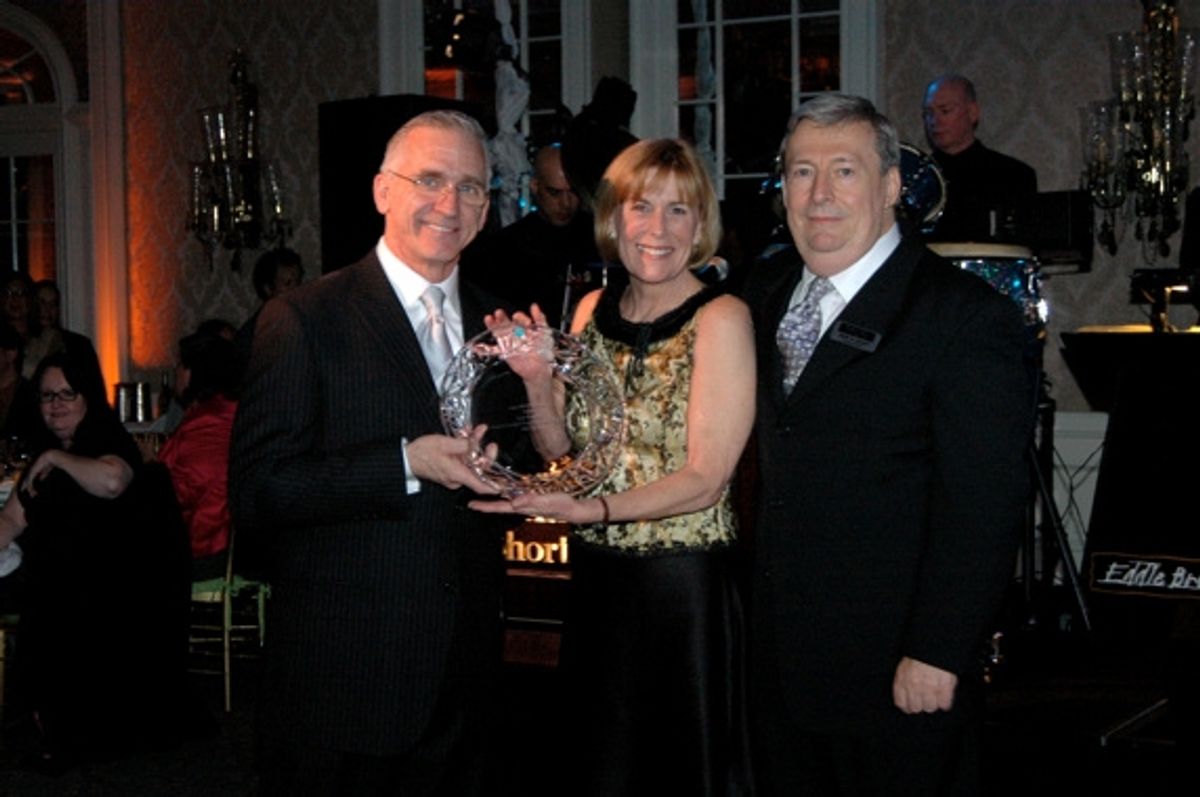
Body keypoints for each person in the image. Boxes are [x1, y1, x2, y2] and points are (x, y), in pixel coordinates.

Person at [740, 93, 1034, 796]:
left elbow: (985, 505)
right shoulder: (760, 291)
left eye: (844, 170)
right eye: (801, 172)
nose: (819, 195)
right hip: (772, 663)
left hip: (894, 672)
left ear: (892, 186)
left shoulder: (964, 317)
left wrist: (937, 649)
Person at [229, 109, 510, 796]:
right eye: (431, 179)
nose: (450, 203)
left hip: (468, 685)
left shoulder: (498, 324)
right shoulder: (303, 319)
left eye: (471, 187)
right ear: (383, 190)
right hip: (345, 690)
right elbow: (261, 492)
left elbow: (515, 469)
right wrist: (405, 463)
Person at [472, 138, 756, 795]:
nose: (657, 229)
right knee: (603, 765)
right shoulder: (589, 314)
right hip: (599, 582)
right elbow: (559, 451)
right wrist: (537, 380)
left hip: (683, 588)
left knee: (682, 770)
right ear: (614, 219)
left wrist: (592, 508)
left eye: (678, 211)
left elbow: (705, 479)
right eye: (640, 208)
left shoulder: (722, 318)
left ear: (700, 225)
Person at [0, 349, 191, 773]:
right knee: (37, 588)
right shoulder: (43, 454)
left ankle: (70, 727)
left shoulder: (108, 440)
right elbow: (11, 520)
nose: (57, 404)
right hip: (63, 583)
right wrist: (46, 460)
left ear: (87, 397)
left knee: (52, 596)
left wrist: (56, 459)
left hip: (114, 588)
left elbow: (112, 481)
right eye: (48, 396)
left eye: (68, 393)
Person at [459, 144, 601, 329]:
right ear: (535, 186)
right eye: (554, 192)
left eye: (572, 192)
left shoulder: (598, 238)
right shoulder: (502, 250)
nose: (565, 203)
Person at [158, 329, 240, 580]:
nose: (175, 371)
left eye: (180, 364)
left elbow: (181, 489)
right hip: (235, 550)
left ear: (194, 371)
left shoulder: (207, 423)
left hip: (207, 550)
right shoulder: (234, 412)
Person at [922, 74, 1038, 242]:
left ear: (972, 113)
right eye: (928, 113)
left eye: (945, 111)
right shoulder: (918, 179)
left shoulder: (1012, 176)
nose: (934, 121)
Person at [234, 247, 304, 373]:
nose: (296, 289)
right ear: (268, 289)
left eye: (298, 282)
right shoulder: (253, 333)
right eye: (287, 283)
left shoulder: (305, 324)